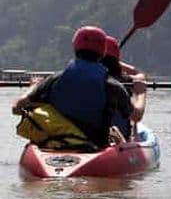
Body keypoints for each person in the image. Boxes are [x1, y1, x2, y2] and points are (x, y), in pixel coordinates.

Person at [11, 26, 144, 148]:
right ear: (103, 52)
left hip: (54, 144)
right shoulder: (112, 86)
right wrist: (140, 93)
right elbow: (136, 116)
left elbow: (16, 108)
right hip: (95, 147)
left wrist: (34, 86)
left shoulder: (55, 79)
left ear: (75, 48)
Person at [101, 35, 147, 141]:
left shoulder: (84, 78)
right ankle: (132, 136)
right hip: (119, 138)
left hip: (89, 137)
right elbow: (140, 75)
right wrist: (141, 93)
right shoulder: (126, 80)